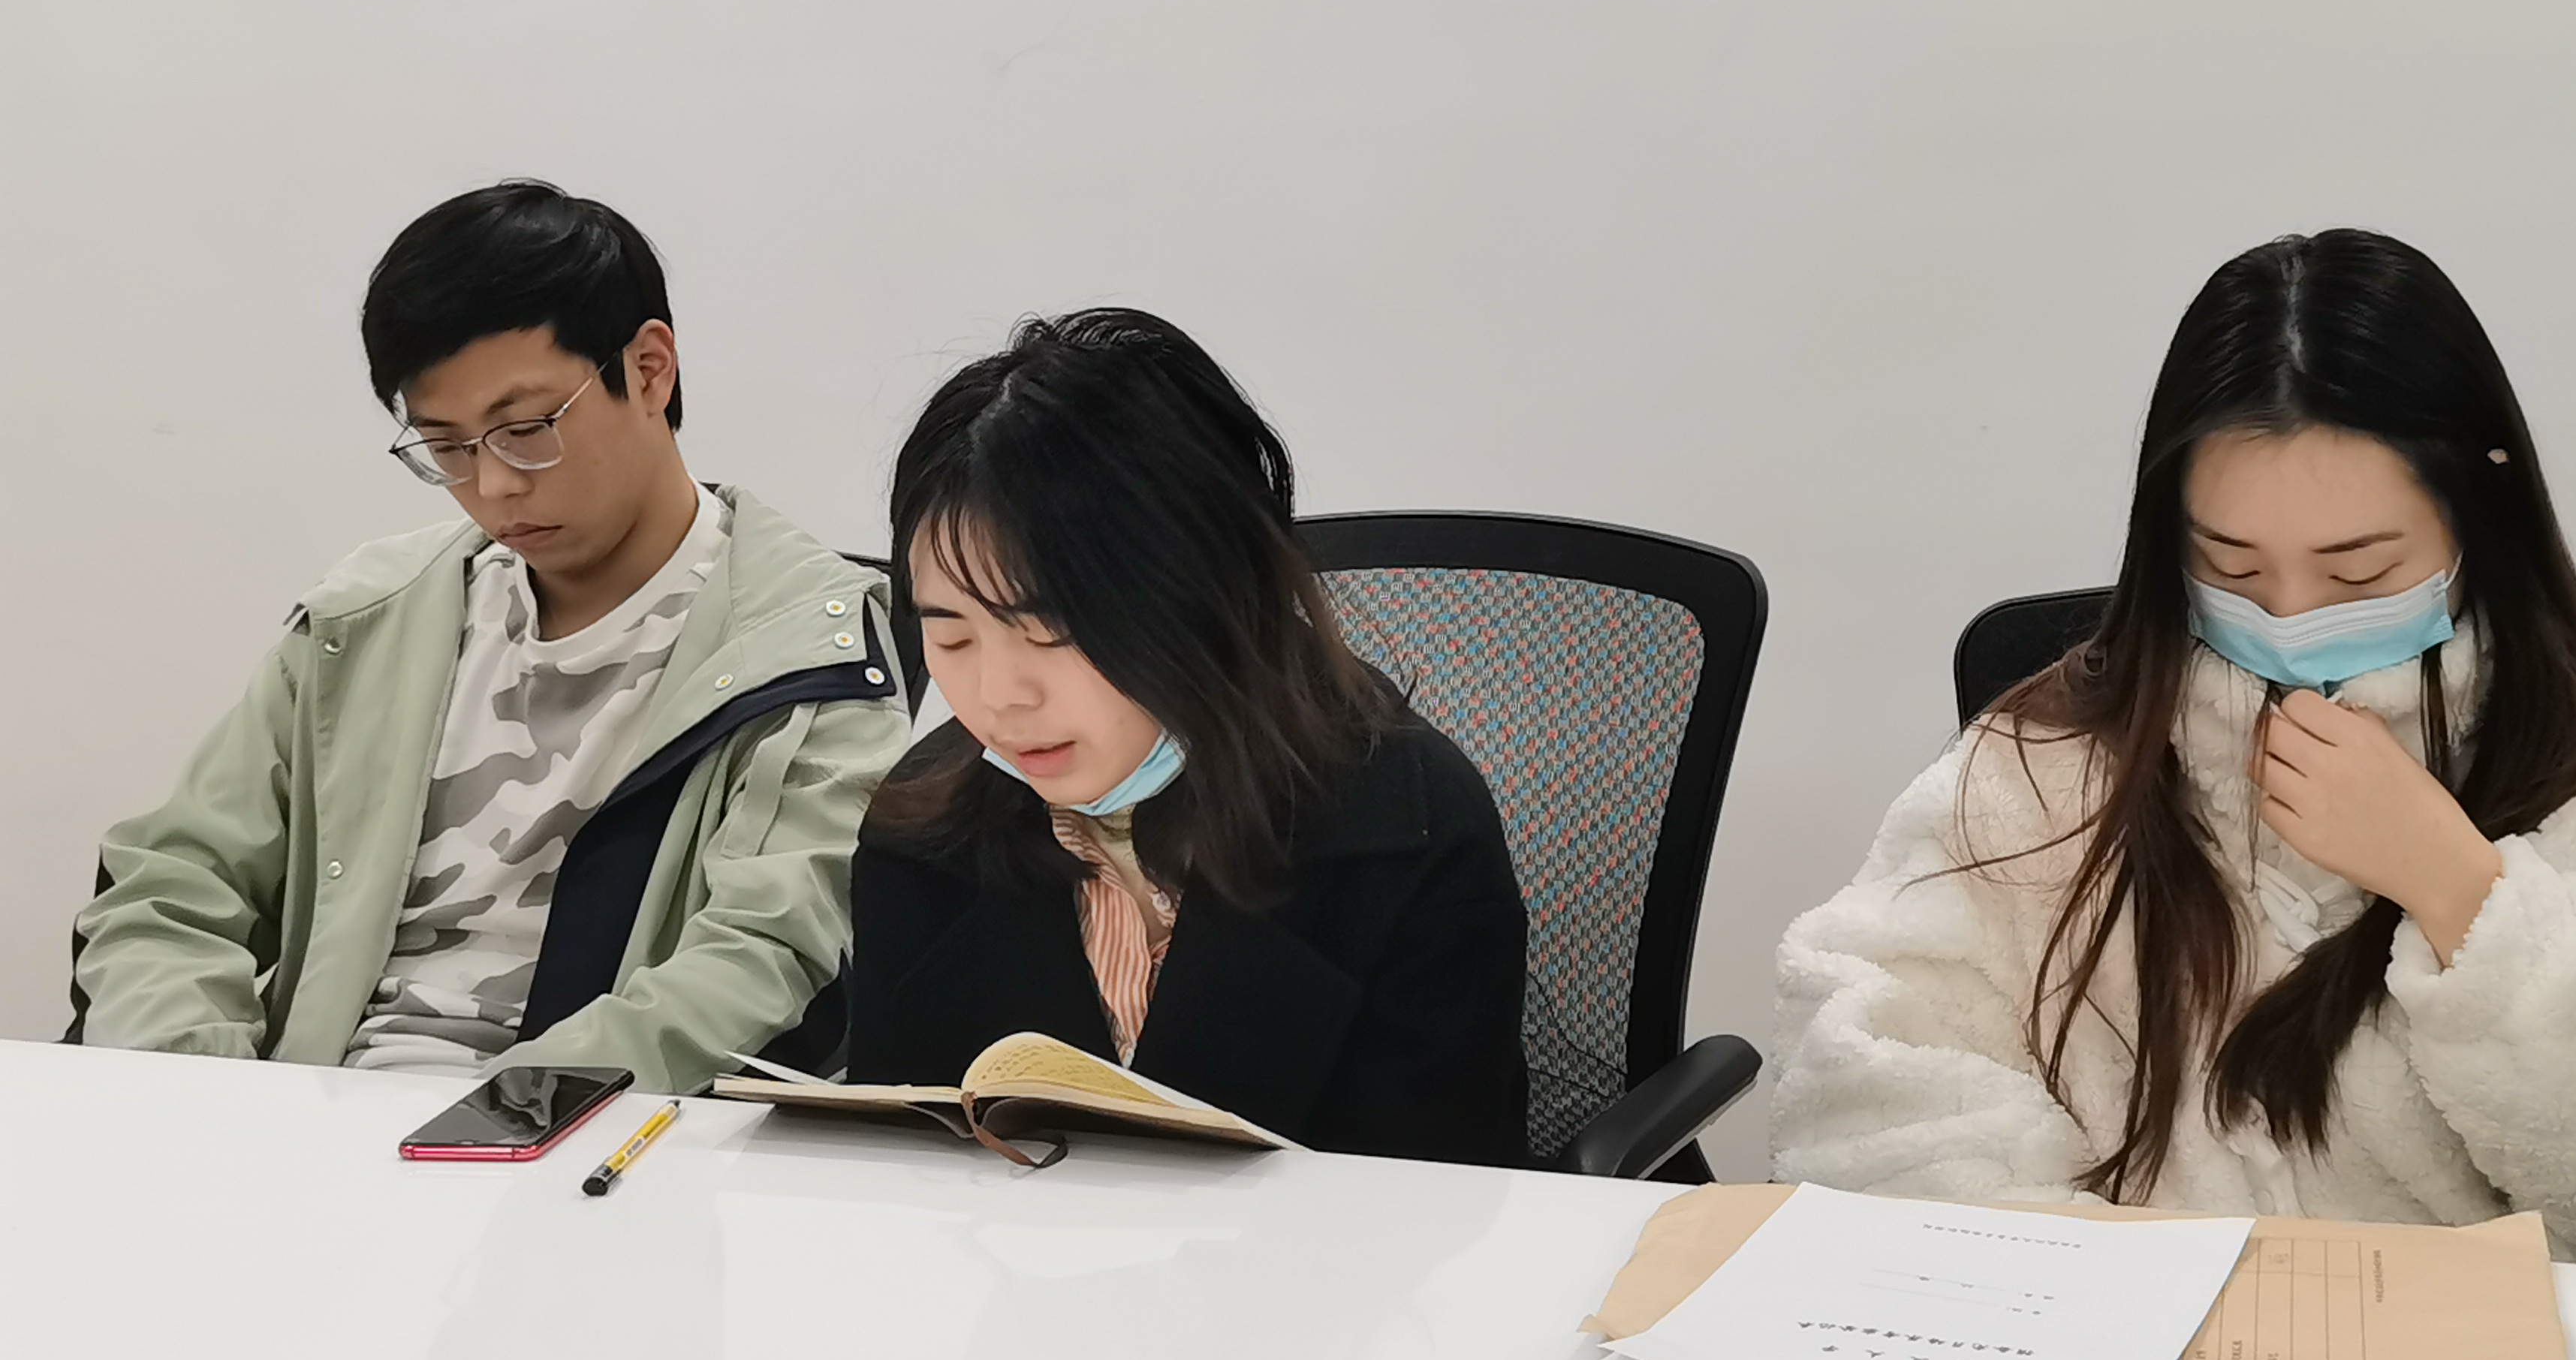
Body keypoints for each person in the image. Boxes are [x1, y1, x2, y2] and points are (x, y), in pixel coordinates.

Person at [1771, 229, 2576, 1272]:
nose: (2290, 617)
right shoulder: (2052, 757)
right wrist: (2069, 1283)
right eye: (2230, 569)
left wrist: (2462, 890)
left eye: (2360, 574)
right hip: (2126, 1350)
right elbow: (1868, 1079)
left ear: (2480, 522)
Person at [74, 182, 911, 1091]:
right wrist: (201, 1092)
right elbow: (171, 886)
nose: (494, 485)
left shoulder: (811, 645)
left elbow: (765, 957)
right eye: (448, 447)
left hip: (587, 1134)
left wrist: (505, 1123)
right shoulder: (366, 620)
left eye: (526, 430)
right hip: (303, 1122)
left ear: (650, 369)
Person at [848, 308, 1531, 1166]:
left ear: (1201, 594)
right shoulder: (921, 831)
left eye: (1052, 631)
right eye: (951, 639)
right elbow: (893, 1179)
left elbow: (1438, 1196)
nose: (998, 697)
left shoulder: (1410, 826)